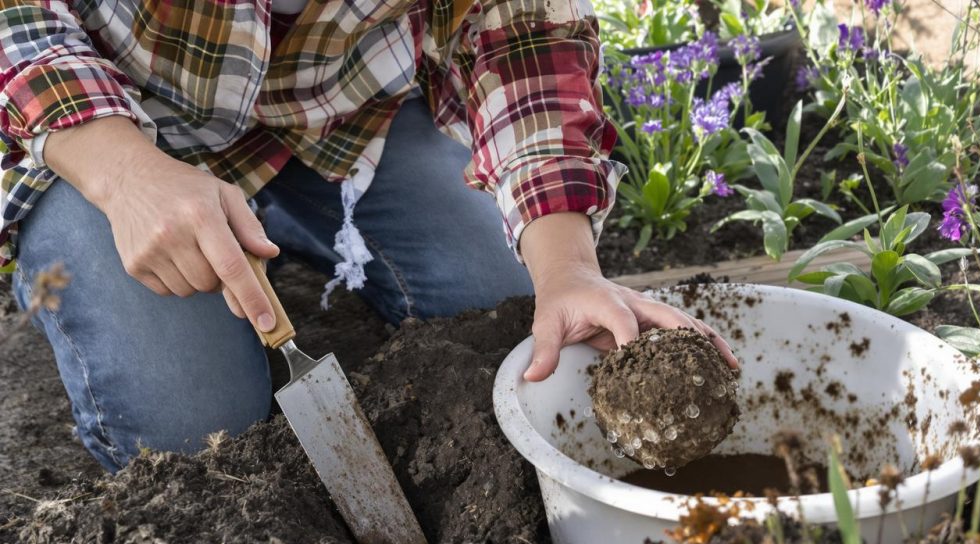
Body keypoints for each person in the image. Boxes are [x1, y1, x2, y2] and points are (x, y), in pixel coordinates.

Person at [0, 0, 736, 473]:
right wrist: (126, 176)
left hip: (333, 123)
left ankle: (266, 224)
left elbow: (524, 39)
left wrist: (570, 268)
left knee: (507, 309)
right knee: (193, 438)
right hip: (103, 122)